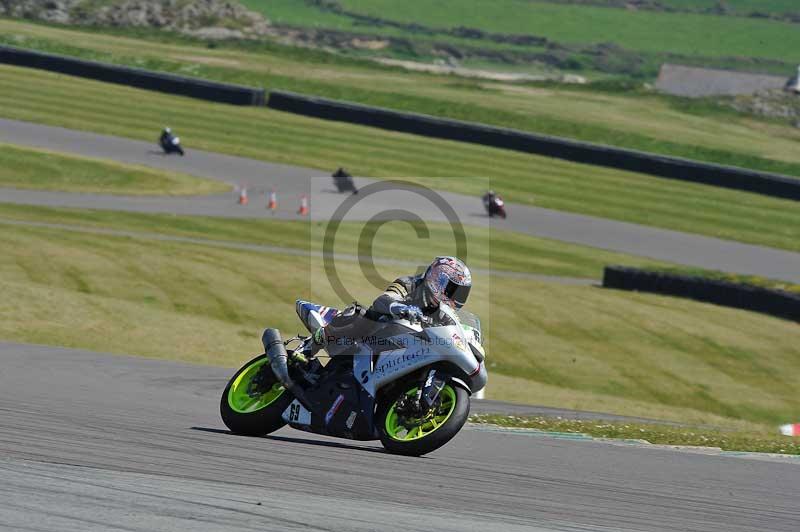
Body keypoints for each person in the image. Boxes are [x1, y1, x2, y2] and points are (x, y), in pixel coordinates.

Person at [304, 256, 471, 356]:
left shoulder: (442, 312)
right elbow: (383, 300)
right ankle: (310, 346)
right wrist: (402, 308)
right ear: (438, 279)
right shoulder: (409, 284)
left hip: (407, 350)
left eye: (461, 293)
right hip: (377, 332)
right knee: (359, 314)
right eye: (453, 290)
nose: (456, 298)